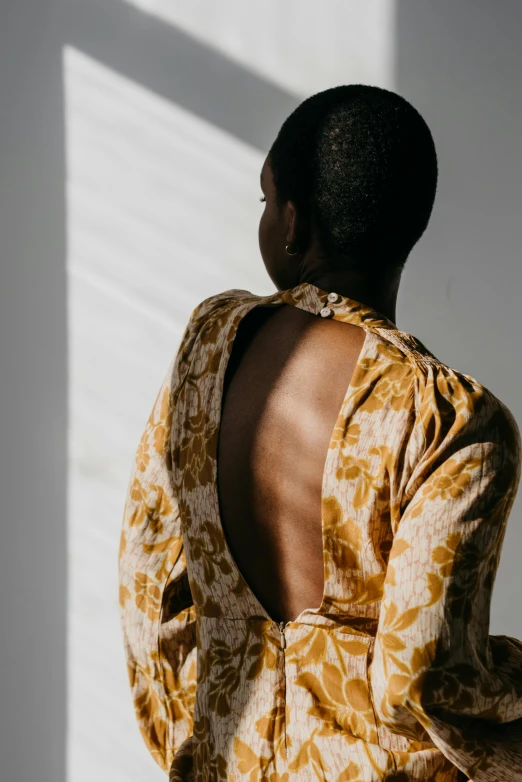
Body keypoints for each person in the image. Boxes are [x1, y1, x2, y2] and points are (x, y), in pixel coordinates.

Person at [118, 85, 522, 781]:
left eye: (267, 200)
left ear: (295, 226)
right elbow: (420, 681)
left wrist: (194, 739)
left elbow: (147, 578)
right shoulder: (452, 423)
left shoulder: (209, 349)